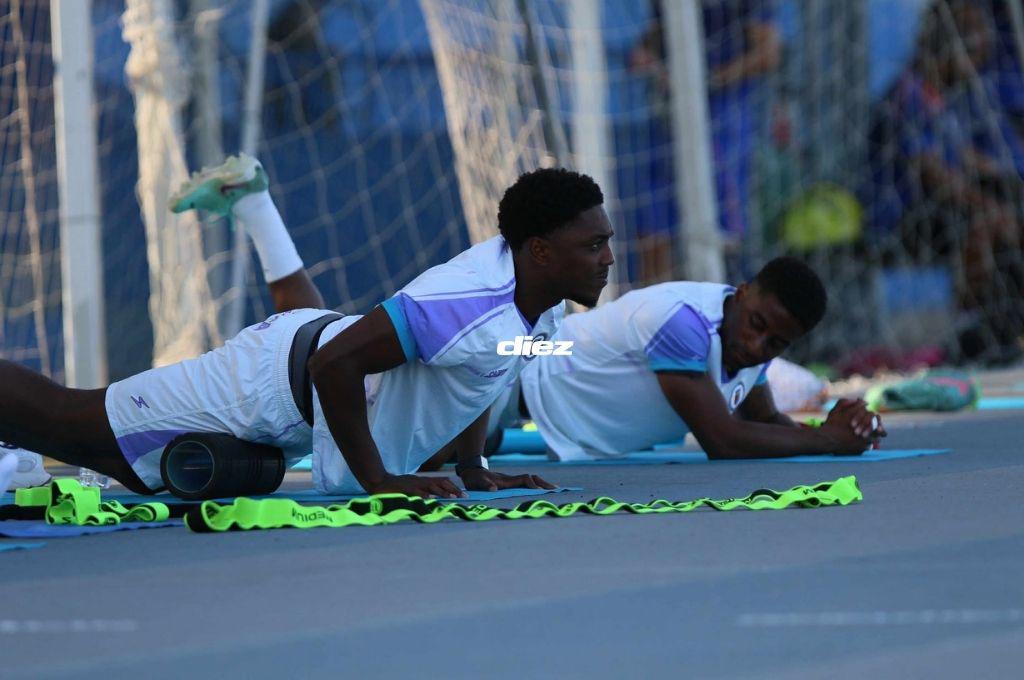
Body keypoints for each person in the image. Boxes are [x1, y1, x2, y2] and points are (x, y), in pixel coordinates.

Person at [0, 155, 614, 497]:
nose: (608, 259)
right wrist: (379, 481)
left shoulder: (541, 305)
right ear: (538, 251)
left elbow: (485, 372)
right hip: (263, 383)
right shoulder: (465, 303)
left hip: (310, 352)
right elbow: (332, 366)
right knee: (74, 429)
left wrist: (473, 467)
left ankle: (254, 202)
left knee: (327, 335)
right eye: (594, 246)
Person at [474, 256, 884, 464]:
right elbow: (722, 440)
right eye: (757, 324)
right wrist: (829, 441)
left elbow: (762, 422)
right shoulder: (682, 321)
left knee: (463, 455)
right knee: (428, 461)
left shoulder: (748, 343)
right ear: (740, 294)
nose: (758, 346)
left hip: (518, 408)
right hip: (513, 368)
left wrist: (845, 425)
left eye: (776, 343)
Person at [630, 0, 781, 284]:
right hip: (669, 116)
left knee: (720, 231)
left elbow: (768, 53)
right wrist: (648, 55)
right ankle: (655, 320)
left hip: (724, 121)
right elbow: (656, 35)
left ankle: (720, 313)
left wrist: (708, 80)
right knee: (652, 229)